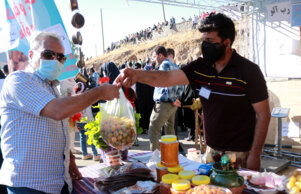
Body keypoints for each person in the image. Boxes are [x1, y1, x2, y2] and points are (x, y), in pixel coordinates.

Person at [0, 31, 121, 194]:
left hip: (57, 182)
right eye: (49, 54)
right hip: (31, 185)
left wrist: (70, 159)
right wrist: (99, 92)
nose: (56, 60)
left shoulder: (52, 88)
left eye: (61, 57)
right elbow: (57, 111)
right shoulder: (19, 80)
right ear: (31, 54)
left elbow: (56, 129)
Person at [116, 13, 270, 170]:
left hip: (239, 154)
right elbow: (166, 78)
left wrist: (255, 155)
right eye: (203, 40)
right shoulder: (200, 67)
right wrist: (137, 74)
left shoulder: (248, 71)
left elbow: (263, 114)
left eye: (210, 41)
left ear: (227, 42)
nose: (205, 45)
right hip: (211, 152)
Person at [147, 46, 184, 150]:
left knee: (153, 130)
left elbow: (168, 83)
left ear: (160, 55)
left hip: (164, 104)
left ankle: (155, 159)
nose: (153, 59)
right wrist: (176, 98)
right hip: (172, 106)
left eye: (154, 56)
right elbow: (182, 84)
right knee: (170, 132)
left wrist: (173, 99)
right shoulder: (175, 66)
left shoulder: (164, 65)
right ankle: (171, 158)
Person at [74, 82, 100, 161]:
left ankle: (84, 154)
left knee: (82, 137)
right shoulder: (85, 97)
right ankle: (95, 154)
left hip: (79, 121)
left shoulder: (75, 97)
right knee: (91, 137)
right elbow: (88, 111)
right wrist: (92, 121)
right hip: (87, 121)